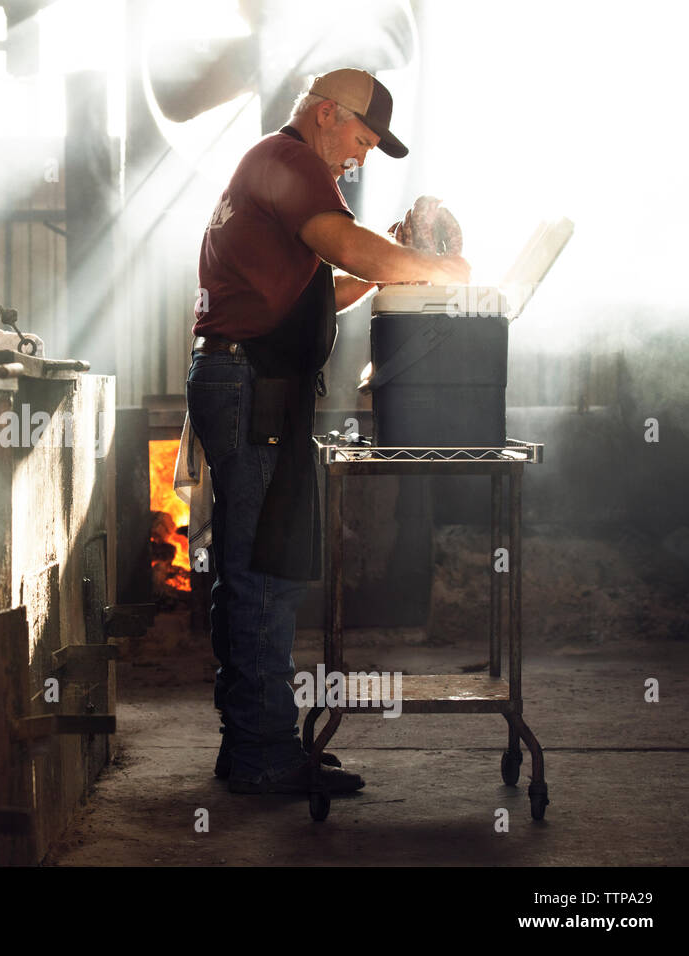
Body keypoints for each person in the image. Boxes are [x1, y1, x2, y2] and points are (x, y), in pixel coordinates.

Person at [186, 68, 471, 795]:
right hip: (250, 385)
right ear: (325, 115)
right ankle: (263, 757)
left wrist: (390, 268)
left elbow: (322, 291)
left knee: (256, 565)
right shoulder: (289, 163)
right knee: (262, 571)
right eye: (362, 137)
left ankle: (251, 744)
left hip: (249, 382)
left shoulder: (279, 169)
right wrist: (437, 270)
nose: (362, 155)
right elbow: (347, 248)